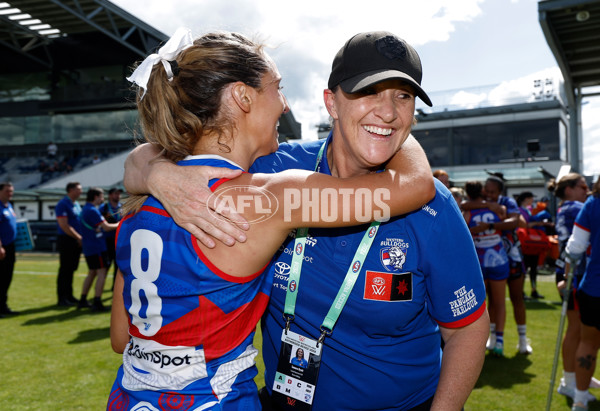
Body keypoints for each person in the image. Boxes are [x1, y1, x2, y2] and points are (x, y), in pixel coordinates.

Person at [125, 30, 489, 411]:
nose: (389, 111)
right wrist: (156, 173)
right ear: (332, 103)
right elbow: (176, 148)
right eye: (369, 92)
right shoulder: (272, 168)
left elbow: (467, 327)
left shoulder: (431, 204)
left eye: (404, 96)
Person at [463, 174, 532, 355]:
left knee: (516, 298)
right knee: (493, 301)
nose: (490, 194)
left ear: (500, 191)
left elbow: (516, 222)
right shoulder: (489, 204)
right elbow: (465, 205)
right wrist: (487, 206)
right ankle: (494, 338)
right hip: (497, 258)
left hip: (511, 255)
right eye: (488, 190)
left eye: (493, 192)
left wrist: (490, 226)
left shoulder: (506, 203)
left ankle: (522, 339)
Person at [548, 174, 599, 402]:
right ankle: (570, 382)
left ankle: (574, 379)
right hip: (574, 272)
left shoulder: (568, 207)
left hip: (574, 270)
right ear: (568, 189)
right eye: (581, 186)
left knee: (578, 331)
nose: (586, 190)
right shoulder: (578, 206)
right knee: (577, 331)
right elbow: (576, 245)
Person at [565, 176, 600, 411]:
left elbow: (575, 247)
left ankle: (579, 399)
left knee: (588, 343)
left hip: (593, 288)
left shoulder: (592, 204)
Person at [463, 180, 508, 356]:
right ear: (482, 191)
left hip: (478, 261)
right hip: (498, 258)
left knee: (482, 304)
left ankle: (484, 341)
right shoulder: (497, 208)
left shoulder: (467, 210)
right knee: (499, 302)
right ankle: (500, 341)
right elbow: (506, 219)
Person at [78, 187, 118, 311]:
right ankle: (97, 301)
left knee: (92, 272)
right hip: (97, 247)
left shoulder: (85, 209)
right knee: (102, 273)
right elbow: (106, 227)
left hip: (89, 246)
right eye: (101, 196)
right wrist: (122, 223)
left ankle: (83, 299)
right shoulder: (92, 210)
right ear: (95, 197)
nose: (103, 199)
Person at [516, 191, 551, 299]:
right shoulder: (519, 211)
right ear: (526, 199)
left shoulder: (530, 210)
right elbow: (525, 225)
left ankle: (533, 290)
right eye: (531, 198)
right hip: (524, 243)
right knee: (524, 269)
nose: (533, 200)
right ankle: (520, 292)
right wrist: (538, 223)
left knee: (534, 269)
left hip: (533, 243)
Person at [55, 181, 83, 307]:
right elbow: (64, 225)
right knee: (65, 270)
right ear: (70, 190)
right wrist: (78, 237)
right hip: (67, 240)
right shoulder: (63, 204)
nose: (80, 191)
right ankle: (62, 298)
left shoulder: (76, 204)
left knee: (71, 269)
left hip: (75, 240)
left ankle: (69, 296)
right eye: (78, 189)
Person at [0, 182, 18, 317]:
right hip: (2, 247)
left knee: (7, 277)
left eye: (11, 191)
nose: (10, 193)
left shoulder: (10, 206)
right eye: (7, 191)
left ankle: (3, 306)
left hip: (10, 246)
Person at [99, 187, 123, 290]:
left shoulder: (122, 207)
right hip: (106, 241)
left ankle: (115, 288)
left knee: (118, 266)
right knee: (105, 266)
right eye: (115, 194)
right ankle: (99, 291)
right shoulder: (103, 207)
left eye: (119, 194)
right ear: (110, 195)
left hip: (119, 240)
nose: (118, 196)